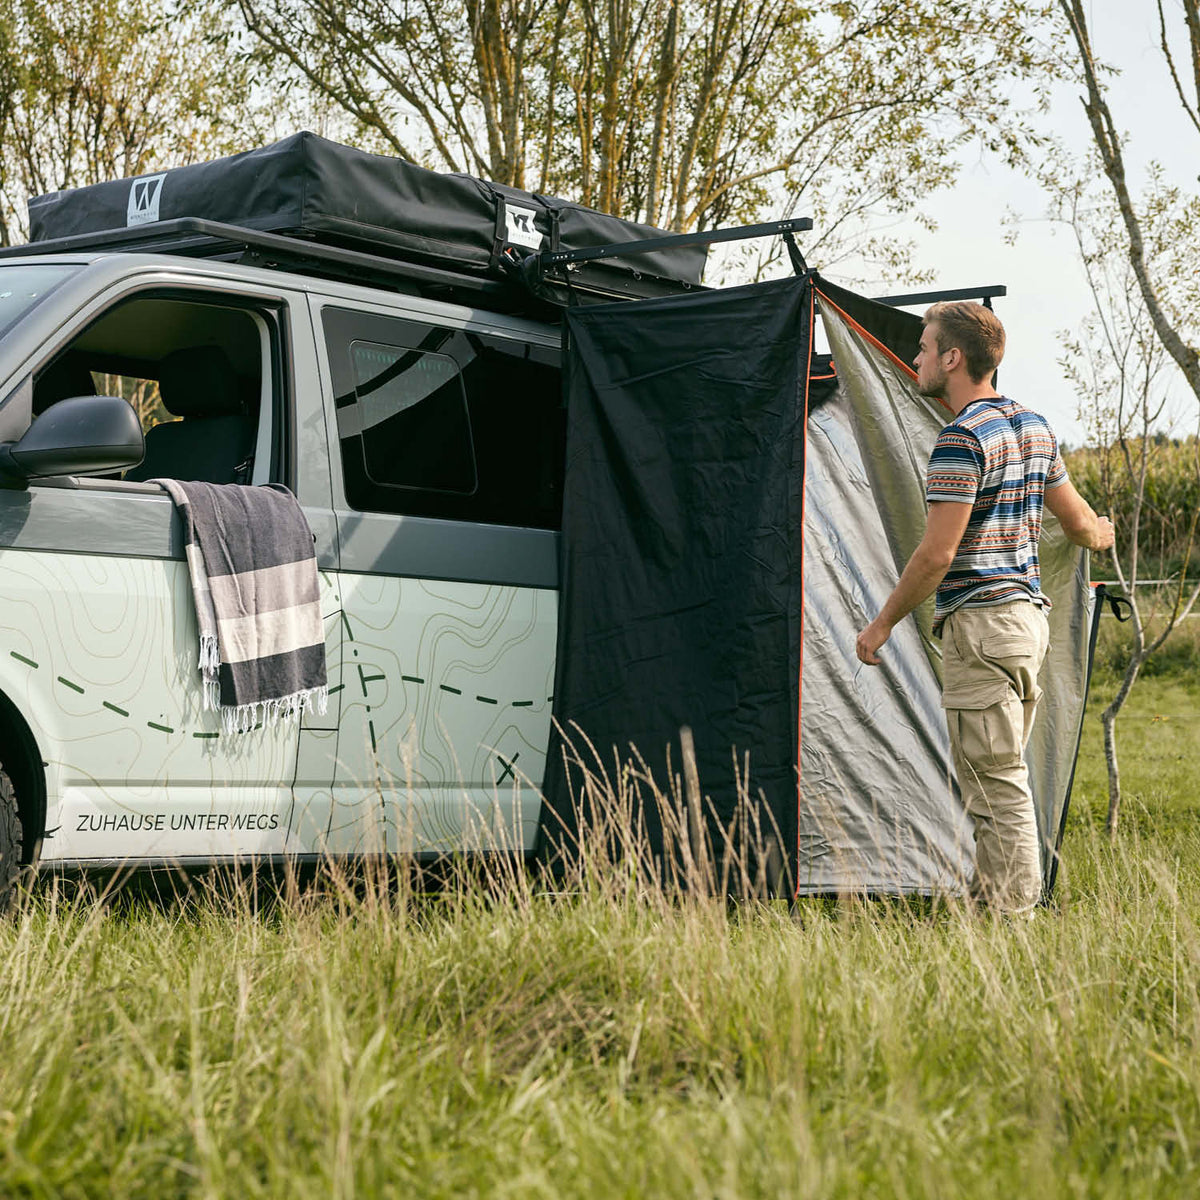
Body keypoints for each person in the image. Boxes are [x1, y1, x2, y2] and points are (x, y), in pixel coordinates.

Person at [854, 301, 1114, 915]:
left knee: (998, 790)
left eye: (923, 347)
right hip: (1028, 627)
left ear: (953, 357)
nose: (916, 358)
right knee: (998, 777)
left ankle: (1011, 921)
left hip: (982, 627)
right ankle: (987, 905)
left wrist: (882, 623)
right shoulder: (1034, 427)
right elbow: (1077, 523)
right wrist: (1103, 533)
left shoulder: (961, 440)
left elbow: (936, 556)